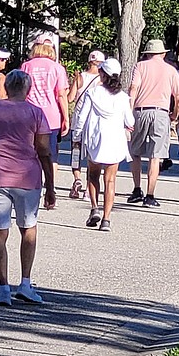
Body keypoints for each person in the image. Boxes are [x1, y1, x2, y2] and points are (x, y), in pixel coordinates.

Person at [0, 70, 56, 306]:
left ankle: (3, 288)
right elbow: (44, 151)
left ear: (6, 87)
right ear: (27, 89)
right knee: (28, 227)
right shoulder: (36, 113)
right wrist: (50, 186)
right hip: (27, 176)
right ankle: (26, 283)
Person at [73, 58, 133, 230]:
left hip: (95, 139)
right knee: (110, 180)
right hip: (115, 140)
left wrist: (77, 136)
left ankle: (94, 208)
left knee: (93, 176)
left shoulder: (92, 93)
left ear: (102, 75)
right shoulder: (122, 97)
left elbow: (81, 118)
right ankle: (106, 219)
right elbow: (130, 120)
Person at [128, 39, 179, 208]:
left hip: (141, 110)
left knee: (135, 151)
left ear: (147, 53)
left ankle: (137, 189)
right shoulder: (171, 70)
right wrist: (174, 115)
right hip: (160, 112)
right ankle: (150, 194)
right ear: (163, 53)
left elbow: (133, 88)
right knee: (156, 155)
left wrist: (129, 112)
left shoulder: (140, 66)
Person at [20, 35, 69, 184]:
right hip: (51, 116)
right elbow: (61, 94)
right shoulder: (57, 68)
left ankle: (32, 184)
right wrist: (65, 117)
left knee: (30, 153)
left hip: (29, 114)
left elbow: (21, 91)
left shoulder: (26, 66)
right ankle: (50, 186)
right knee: (51, 154)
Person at [67, 50, 105, 198]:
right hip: (93, 121)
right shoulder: (101, 80)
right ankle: (89, 188)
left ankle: (77, 179)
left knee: (76, 152)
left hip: (78, 119)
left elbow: (70, 98)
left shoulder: (80, 77)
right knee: (91, 155)